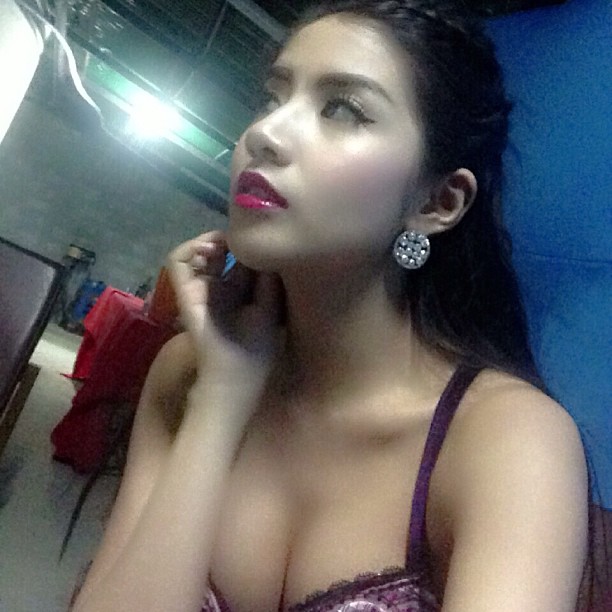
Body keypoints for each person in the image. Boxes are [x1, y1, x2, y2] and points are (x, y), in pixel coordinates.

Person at [70, 1, 592, 610]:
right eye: (270, 98)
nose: (264, 134)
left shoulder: (508, 439)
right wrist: (221, 400)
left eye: (342, 109)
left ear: (438, 203)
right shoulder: (189, 372)